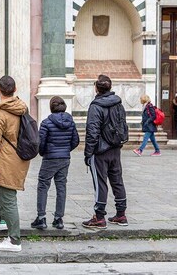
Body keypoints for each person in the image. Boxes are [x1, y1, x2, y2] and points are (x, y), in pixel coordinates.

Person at [0, 75, 30, 252]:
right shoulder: (21, 108)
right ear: (15, 89)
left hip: (6, 160)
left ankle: (14, 240)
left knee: (8, 198)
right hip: (18, 157)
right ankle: (4, 224)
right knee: (7, 195)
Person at [82, 74, 128, 229]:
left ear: (96, 88)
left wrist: (88, 153)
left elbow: (92, 131)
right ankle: (121, 214)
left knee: (100, 182)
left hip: (100, 150)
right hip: (116, 149)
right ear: (110, 87)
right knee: (117, 180)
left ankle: (99, 216)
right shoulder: (118, 104)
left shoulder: (96, 106)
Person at [31, 96, 79, 230]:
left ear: (51, 107)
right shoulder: (71, 122)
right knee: (61, 187)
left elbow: (41, 142)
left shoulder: (46, 122)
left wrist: (44, 153)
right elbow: (75, 140)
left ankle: (41, 218)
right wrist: (65, 150)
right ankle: (59, 219)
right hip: (64, 158)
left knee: (43, 186)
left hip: (50, 158)